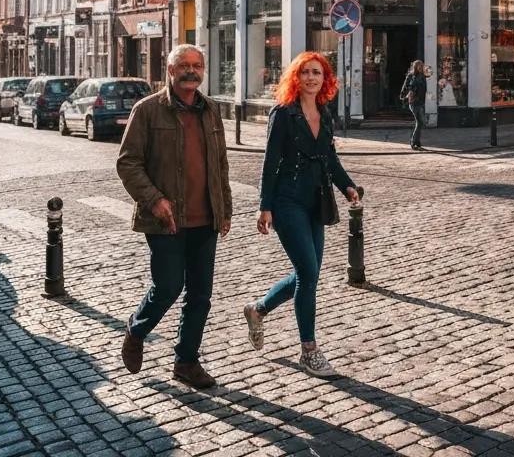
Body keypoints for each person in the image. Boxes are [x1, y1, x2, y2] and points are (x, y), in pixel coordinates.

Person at [117, 44, 232, 390]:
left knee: (200, 295)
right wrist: (153, 200)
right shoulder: (148, 110)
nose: (191, 71)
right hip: (165, 219)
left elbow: (220, 165)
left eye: (198, 65)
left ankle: (186, 361)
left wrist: (223, 209)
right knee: (168, 286)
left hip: (205, 218)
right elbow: (127, 162)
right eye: (184, 65)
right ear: (170, 70)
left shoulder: (211, 111)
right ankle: (137, 329)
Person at [244, 52, 359, 378]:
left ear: (325, 79)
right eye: (306, 72)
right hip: (287, 201)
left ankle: (258, 309)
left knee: (305, 275)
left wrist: (347, 187)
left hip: (316, 202)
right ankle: (309, 351)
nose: (311, 78)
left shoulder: (324, 111)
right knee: (308, 273)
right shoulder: (283, 114)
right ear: (296, 77)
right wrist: (264, 205)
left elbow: (330, 159)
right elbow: (270, 162)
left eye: (317, 73)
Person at [402, 59, 428, 151]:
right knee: (420, 122)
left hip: (421, 101)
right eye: (419, 66)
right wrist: (404, 94)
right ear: (415, 67)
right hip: (413, 101)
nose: (421, 67)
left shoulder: (423, 76)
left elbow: (424, 88)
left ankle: (417, 142)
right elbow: (406, 86)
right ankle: (414, 142)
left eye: (422, 66)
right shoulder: (411, 75)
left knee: (420, 123)